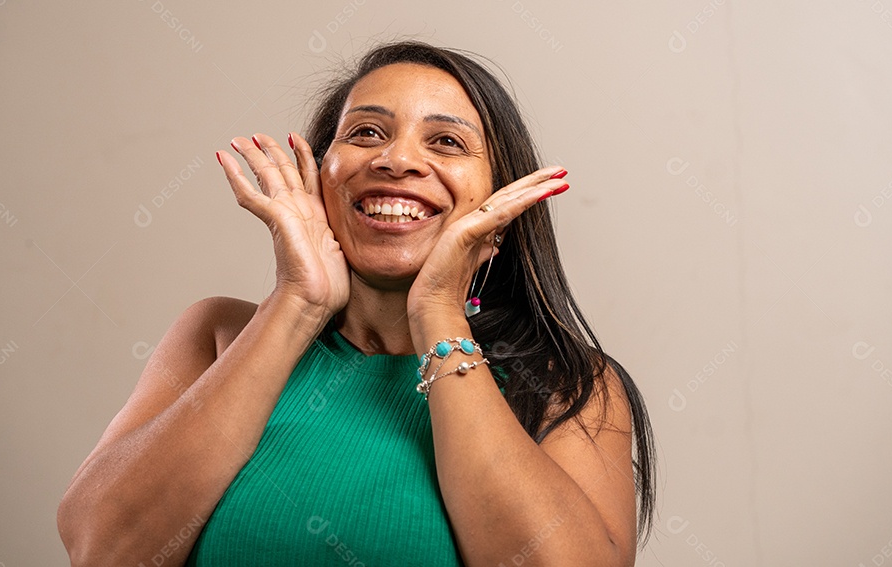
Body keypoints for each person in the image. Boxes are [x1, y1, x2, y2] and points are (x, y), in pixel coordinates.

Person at [57, 40, 655, 566]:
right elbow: (103, 549)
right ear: (320, 179)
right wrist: (298, 302)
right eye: (365, 132)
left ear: (501, 213)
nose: (395, 160)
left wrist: (438, 311)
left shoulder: (567, 384)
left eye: (446, 141)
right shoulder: (218, 335)